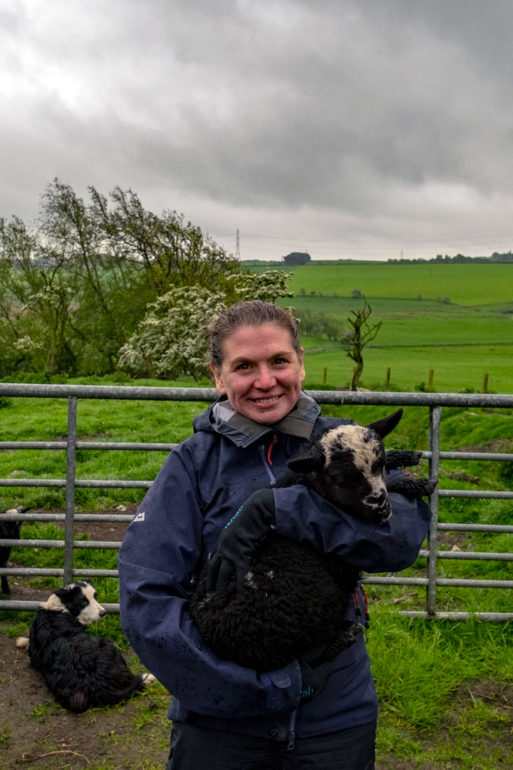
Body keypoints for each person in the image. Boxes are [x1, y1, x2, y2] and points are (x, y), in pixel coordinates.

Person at [118, 300, 432, 770]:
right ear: (218, 377)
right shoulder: (193, 464)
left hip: (334, 711)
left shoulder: (349, 443)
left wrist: (278, 508)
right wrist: (259, 687)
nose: (265, 381)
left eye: (279, 361)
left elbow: (398, 538)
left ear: (301, 363)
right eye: (244, 366)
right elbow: (147, 596)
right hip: (222, 723)